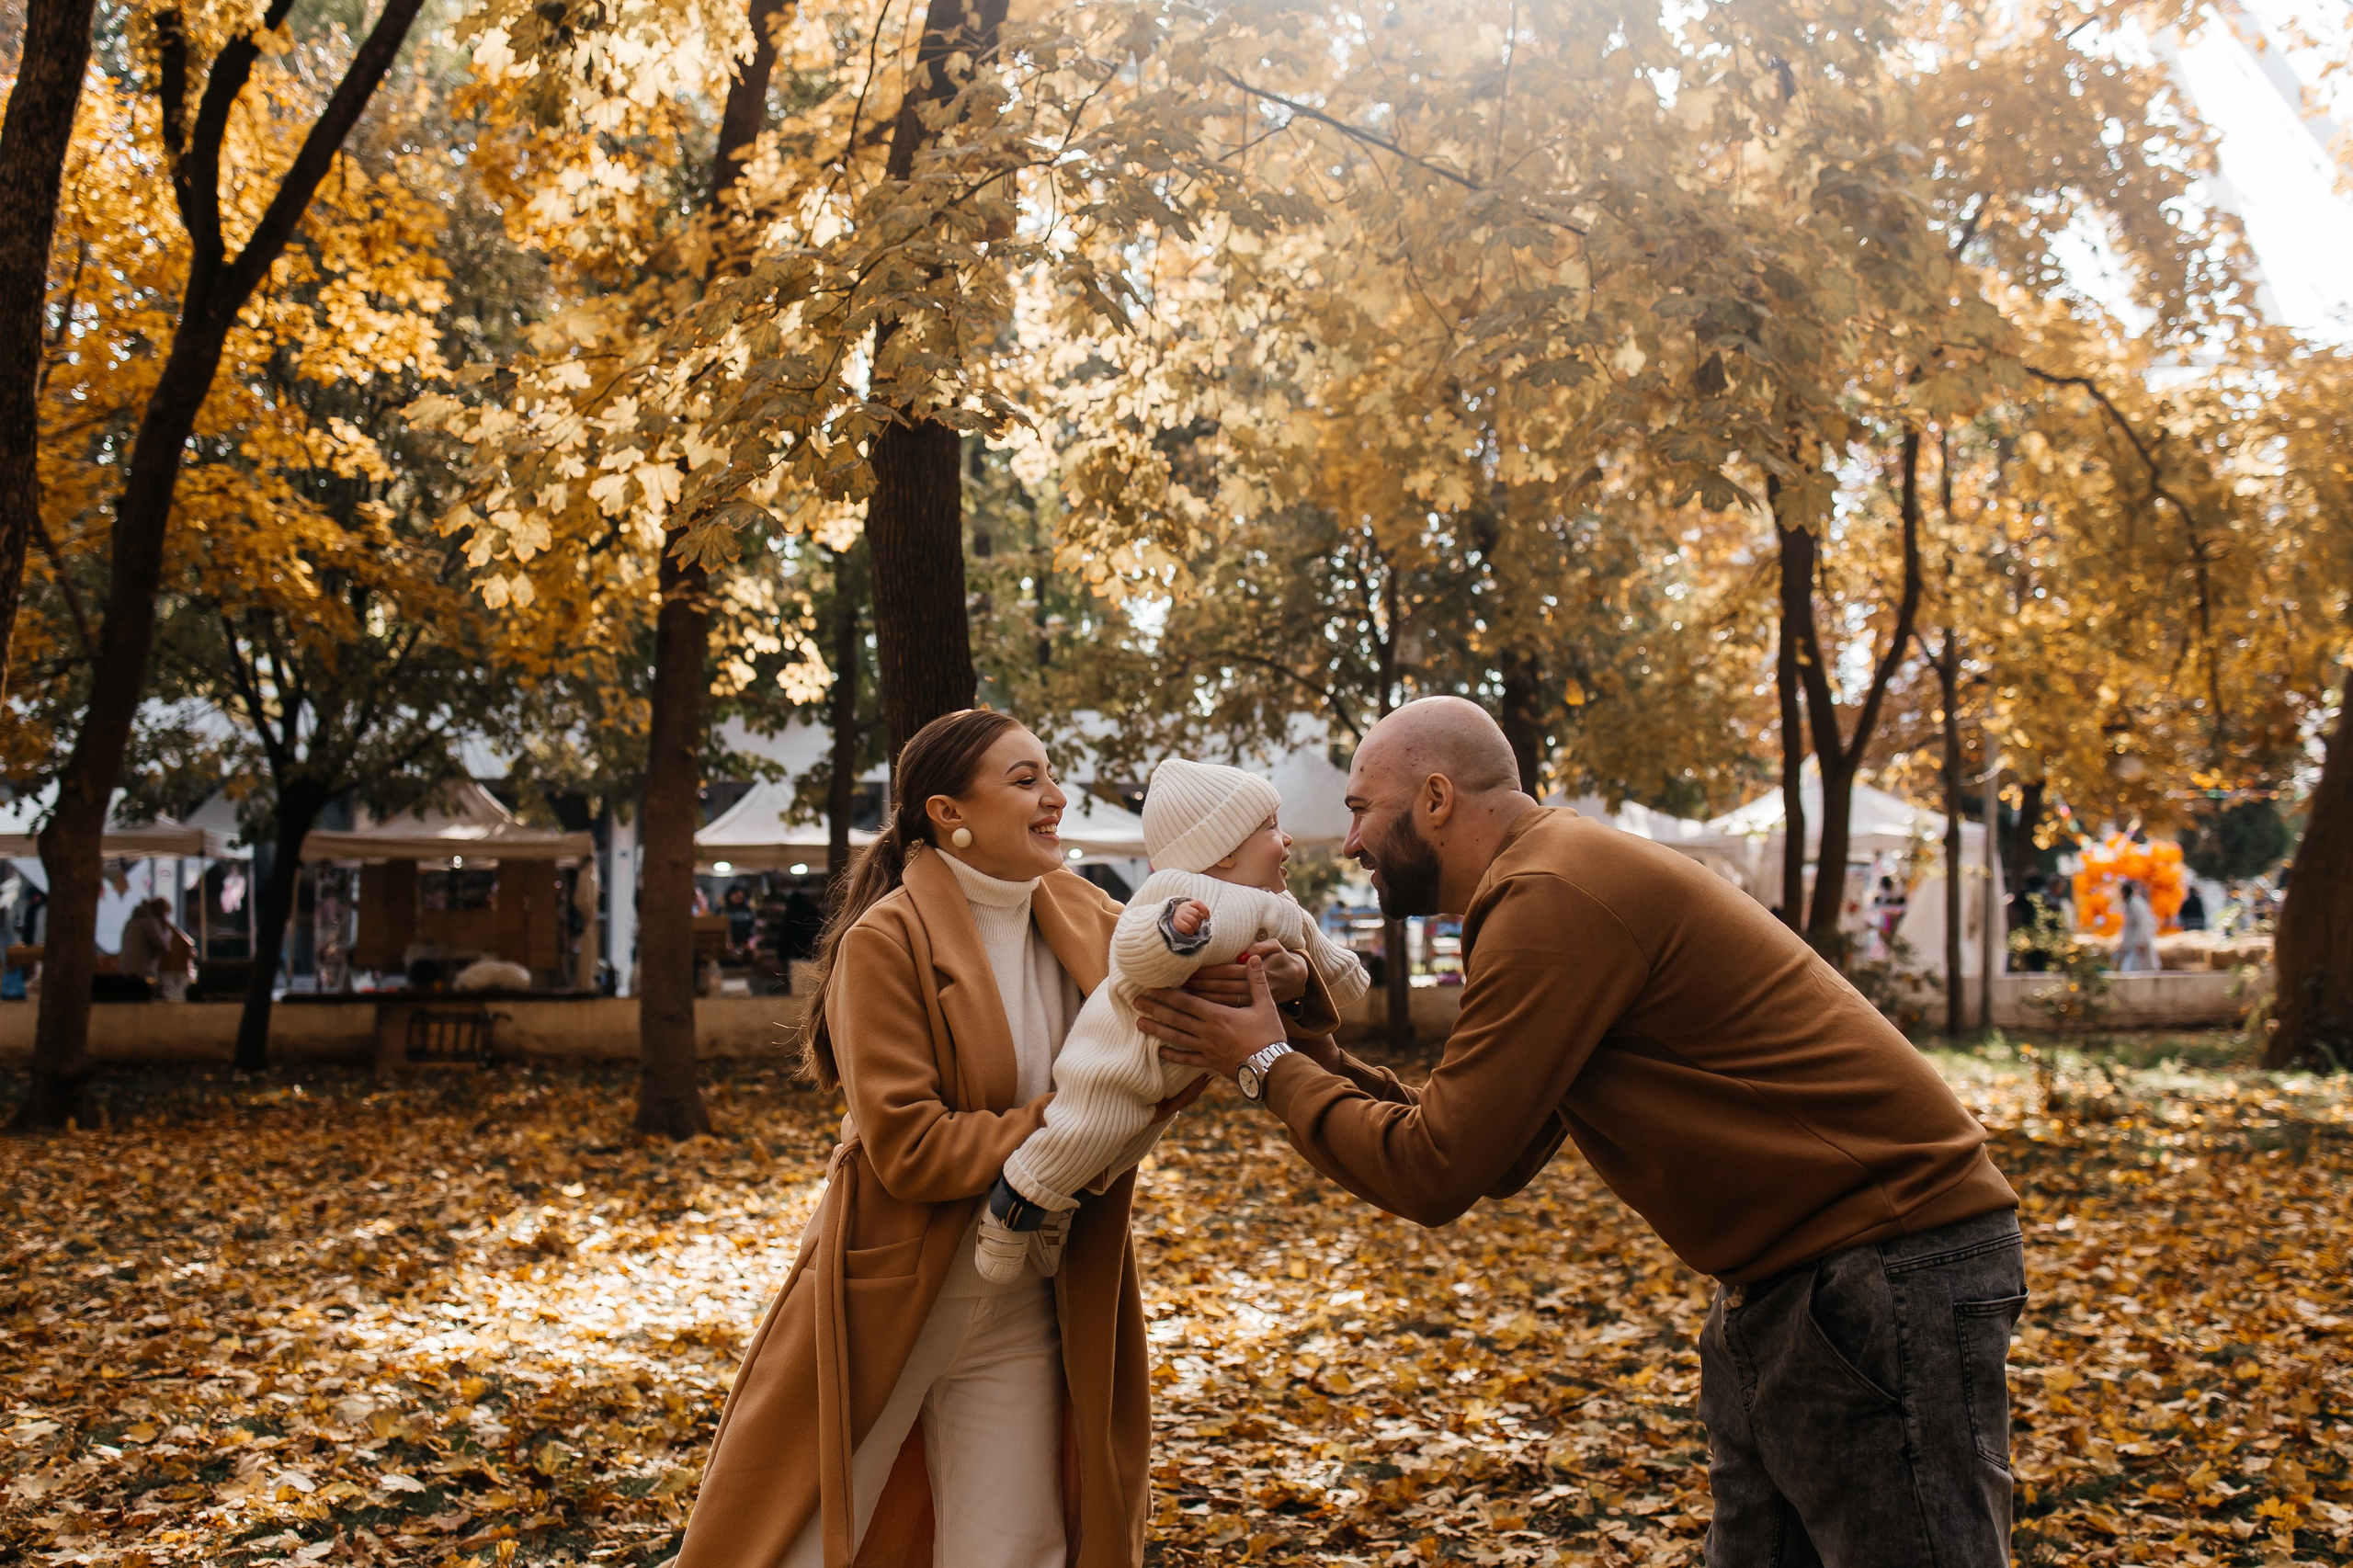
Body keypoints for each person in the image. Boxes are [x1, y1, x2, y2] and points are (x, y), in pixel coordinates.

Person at [1139, 697, 2026, 1568]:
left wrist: (1264, 1066)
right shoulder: (1551, 877)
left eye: (1362, 811)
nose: (1355, 843)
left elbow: (1434, 1172)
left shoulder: (1549, 896)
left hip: (1877, 1269)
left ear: (1437, 800)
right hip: (1807, 1283)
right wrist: (1305, 1042)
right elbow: (1495, 1149)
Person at [672, 710, 1343, 1568]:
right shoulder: (887, 941)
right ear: (949, 813)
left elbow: (1193, 995)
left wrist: (1282, 972)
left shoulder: (1086, 909)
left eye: (1049, 776)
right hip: (899, 1294)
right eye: (1025, 781)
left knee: (1020, 1546)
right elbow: (912, 1149)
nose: (1055, 797)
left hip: (1035, 1297)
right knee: (798, 1540)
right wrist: (1072, 1123)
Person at [973, 757, 1369, 1282]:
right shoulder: (1180, 893)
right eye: (1271, 828)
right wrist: (1176, 935)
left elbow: (1320, 954)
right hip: (1119, 1060)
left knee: (1122, 1150)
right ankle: (1014, 1204)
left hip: (1176, 1076)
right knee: (1082, 1133)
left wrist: (1335, 977)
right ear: (1224, 851)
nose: (1288, 839)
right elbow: (1134, 951)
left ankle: (1052, 1211)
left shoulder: (1280, 904)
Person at [2115, 880, 2161, 971]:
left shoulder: (2136, 904)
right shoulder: (2129, 904)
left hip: (2139, 940)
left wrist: (2140, 941)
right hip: (2133, 940)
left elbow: (2142, 922)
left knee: (2139, 967)